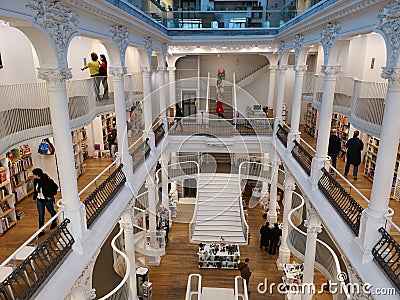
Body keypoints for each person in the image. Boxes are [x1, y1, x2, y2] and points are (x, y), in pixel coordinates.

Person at [32, 168, 58, 237]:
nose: (33, 176)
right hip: (39, 200)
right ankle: (41, 230)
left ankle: (54, 221)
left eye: (34, 175)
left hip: (47, 200)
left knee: (51, 211)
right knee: (41, 215)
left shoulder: (47, 181)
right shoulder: (35, 181)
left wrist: (50, 196)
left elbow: (55, 187)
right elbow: (35, 189)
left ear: (37, 175)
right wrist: (35, 197)